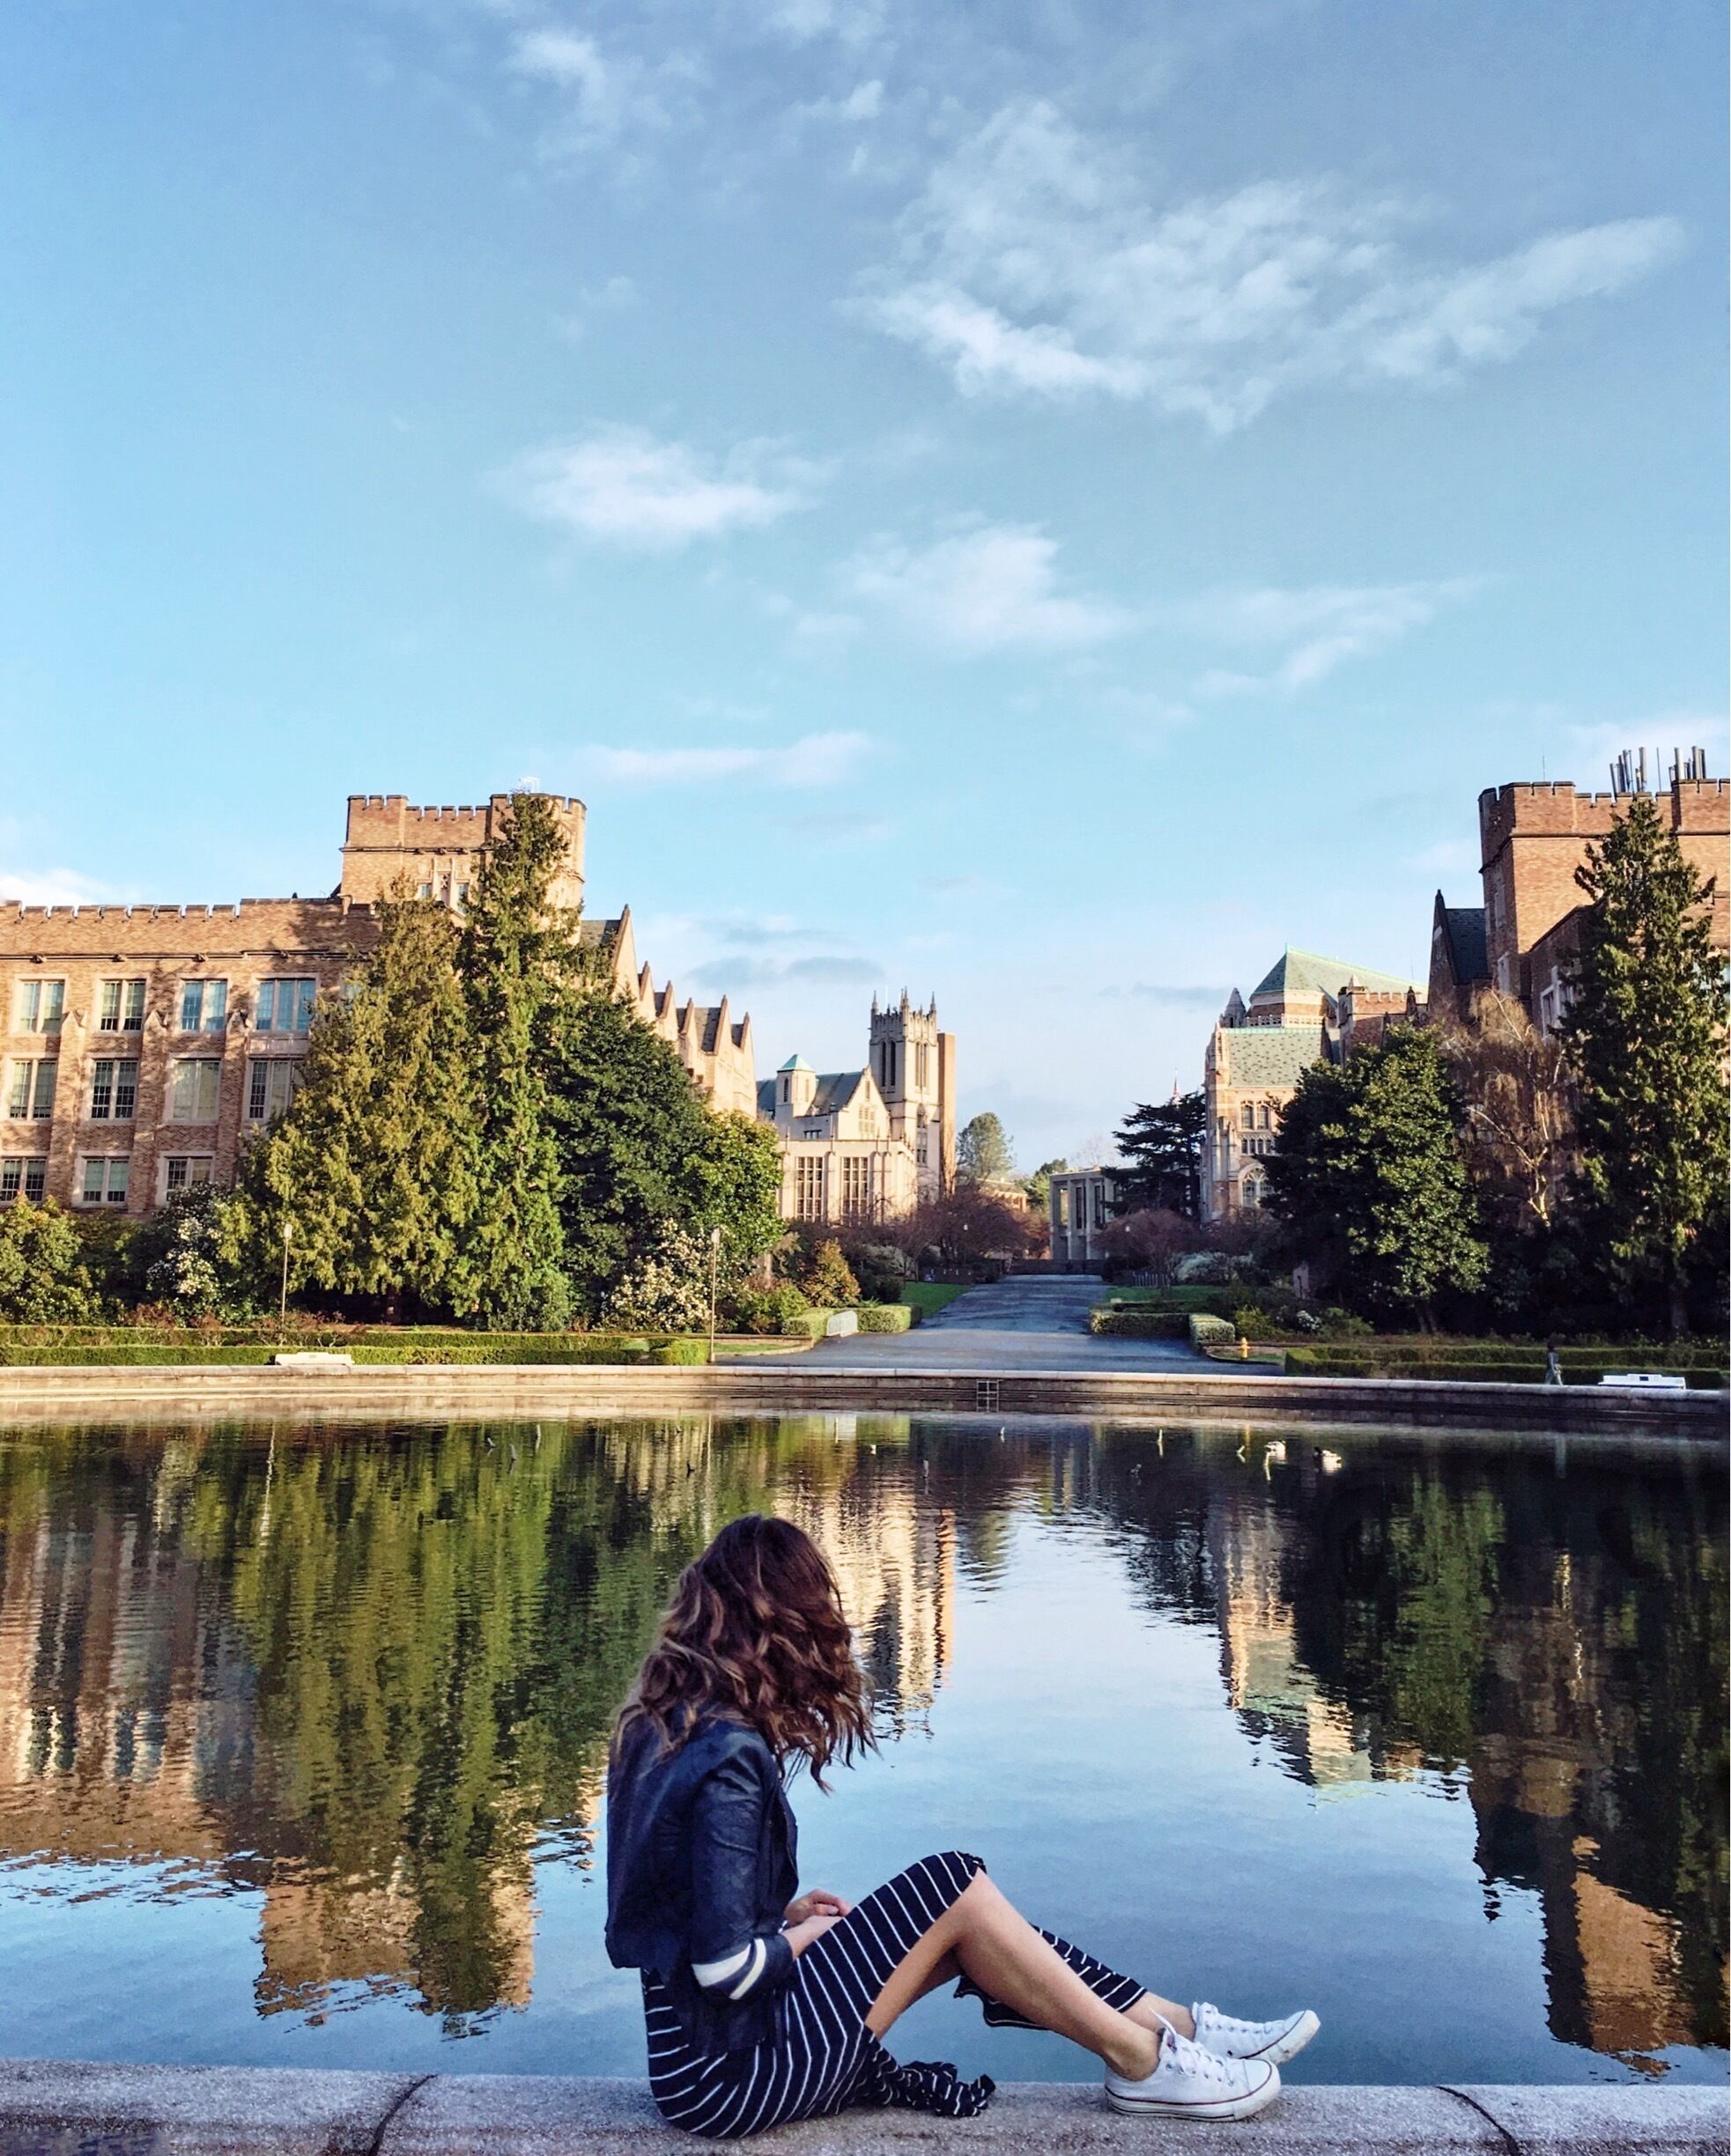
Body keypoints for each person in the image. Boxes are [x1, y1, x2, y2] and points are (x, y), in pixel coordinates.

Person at [605, 1514, 1318, 2138]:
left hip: (697, 2065)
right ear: (782, 1626)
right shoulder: (728, 1750)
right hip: (732, 2076)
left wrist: (775, 1911)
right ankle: (1144, 2059)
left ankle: (1175, 2030)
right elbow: (724, 1971)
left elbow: (666, 1907)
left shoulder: (657, 1724)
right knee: (954, 1884)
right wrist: (804, 1933)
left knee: (968, 1916)